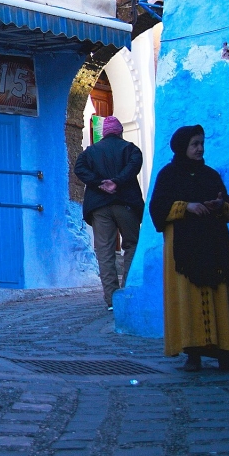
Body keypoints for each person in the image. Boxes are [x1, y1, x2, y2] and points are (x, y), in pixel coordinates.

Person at [149, 125, 229, 372]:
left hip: (215, 247)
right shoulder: (168, 175)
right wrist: (186, 207)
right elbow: (158, 209)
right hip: (185, 248)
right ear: (183, 147)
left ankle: (226, 355)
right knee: (188, 298)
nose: (200, 148)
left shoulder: (210, 175)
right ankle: (192, 355)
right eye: (194, 144)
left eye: (201, 143)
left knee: (219, 298)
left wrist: (220, 204)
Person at [74, 116, 145, 311]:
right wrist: (118, 181)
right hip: (125, 203)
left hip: (99, 206)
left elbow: (79, 168)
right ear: (120, 132)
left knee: (104, 251)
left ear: (103, 134)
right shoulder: (130, 149)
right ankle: (128, 292)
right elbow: (134, 166)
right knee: (131, 244)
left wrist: (99, 182)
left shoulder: (91, 152)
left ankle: (112, 299)